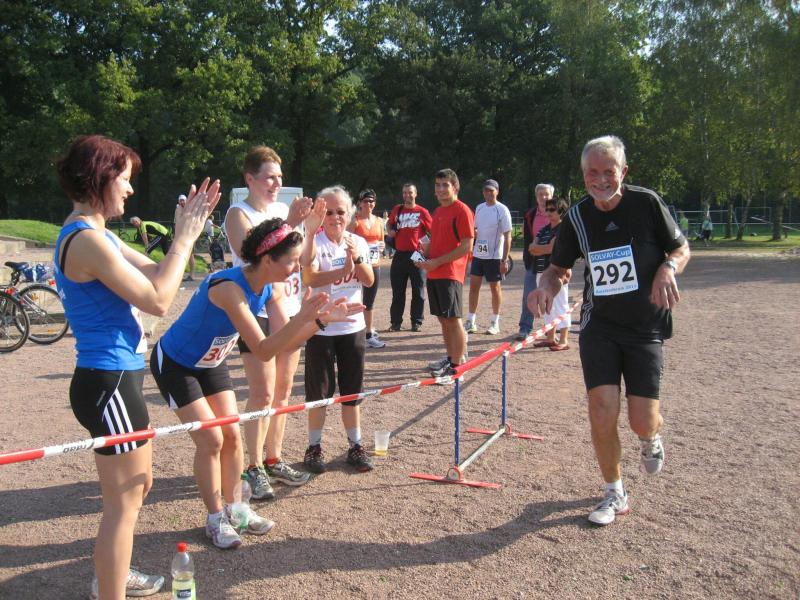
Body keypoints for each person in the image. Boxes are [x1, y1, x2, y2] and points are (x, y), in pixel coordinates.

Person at [54, 134, 219, 599]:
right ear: (99, 179)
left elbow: (155, 272)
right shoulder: (87, 240)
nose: (129, 190)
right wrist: (184, 238)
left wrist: (184, 236)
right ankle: (110, 587)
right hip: (108, 382)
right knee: (124, 504)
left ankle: (113, 571)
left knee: (136, 489)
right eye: (124, 179)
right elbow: (159, 299)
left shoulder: (96, 234)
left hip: (114, 379)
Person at [150, 218, 361, 549]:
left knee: (233, 436)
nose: (297, 268)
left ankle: (237, 508)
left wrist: (319, 321)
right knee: (211, 440)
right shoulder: (228, 288)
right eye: (291, 261)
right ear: (267, 259)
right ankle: (215, 518)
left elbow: (286, 342)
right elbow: (263, 350)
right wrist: (305, 318)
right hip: (176, 364)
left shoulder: (270, 288)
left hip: (211, 363)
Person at [528, 135, 690, 526]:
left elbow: (681, 248)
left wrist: (667, 268)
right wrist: (545, 288)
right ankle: (614, 492)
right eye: (592, 172)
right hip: (599, 326)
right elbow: (558, 269)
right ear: (583, 174)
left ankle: (650, 437)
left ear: (623, 171)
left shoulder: (646, 203)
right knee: (601, 409)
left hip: (645, 327)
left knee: (641, 419)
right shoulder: (578, 217)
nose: (600, 180)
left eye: (608, 171)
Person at [224, 146, 314, 500]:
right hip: (256, 310)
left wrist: (310, 228)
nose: (277, 183)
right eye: (269, 177)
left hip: (288, 306)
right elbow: (253, 254)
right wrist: (291, 222)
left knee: (283, 391)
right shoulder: (238, 214)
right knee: (261, 392)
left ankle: (274, 458)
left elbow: (300, 257)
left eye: (280, 177)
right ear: (250, 179)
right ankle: (253, 465)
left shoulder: (280, 211)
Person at [300, 188, 375, 473]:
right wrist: (343, 269)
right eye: (328, 212)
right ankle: (314, 447)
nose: (335, 218)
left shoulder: (358, 242)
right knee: (318, 394)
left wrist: (356, 260)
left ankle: (355, 445)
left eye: (340, 212)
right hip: (321, 328)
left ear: (350, 213)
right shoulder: (314, 241)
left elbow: (368, 281)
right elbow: (310, 276)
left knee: (352, 393)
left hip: (353, 328)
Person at [417, 169, 475, 378]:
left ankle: (457, 366)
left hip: (450, 273)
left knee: (453, 319)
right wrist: (424, 255)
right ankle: (451, 358)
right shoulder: (438, 211)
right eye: (437, 185)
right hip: (434, 273)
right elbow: (438, 242)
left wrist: (437, 262)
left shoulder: (462, 210)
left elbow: (467, 246)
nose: (440, 189)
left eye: (445, 185)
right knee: (443, 319)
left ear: (455, 187)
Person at [464, 179, 512, 335]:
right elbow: (475, 230)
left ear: (497, 191)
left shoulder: (502, 210)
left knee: (495, 288)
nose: (488, 193)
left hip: (494, 256)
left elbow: (508, 236)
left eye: (491, 190)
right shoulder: (479, 208)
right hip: (479, 254)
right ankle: (471, 321)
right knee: (473, 287)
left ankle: (495, 322)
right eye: (486, 190)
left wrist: (504, 260)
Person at [386, 183, 432, 332]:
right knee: (398, 292)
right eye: (405, 192)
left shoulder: (422, 212)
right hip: (399, 254)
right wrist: (390, 231)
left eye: (410, 192)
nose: (407, 195)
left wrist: (428, 250)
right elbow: (389, 224)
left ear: (415, 194)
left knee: (418, 291)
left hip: (416, 254)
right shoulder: (397, 209)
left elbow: (433, 231)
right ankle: (396, 322)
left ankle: (416, 322)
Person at [348, 188, 387, 348]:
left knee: (369, 300)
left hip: (374, 264)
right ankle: (354, 332)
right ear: (360, 203)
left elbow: (382, 242)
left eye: (372, 201)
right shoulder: (355, 221)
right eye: (366, 201)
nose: (369, 204)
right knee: (353, 297)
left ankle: (369, 333)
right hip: (358, 265)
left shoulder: (379, 221)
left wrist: (382, 246)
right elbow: (346, 240)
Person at [515, 183, 554, 341]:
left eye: (546, 194)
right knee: (528, 295)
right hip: (533, 260)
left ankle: (552, 329)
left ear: (552, 196)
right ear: (536, 197)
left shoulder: (558, 213)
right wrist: (526, 257)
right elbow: (527, 239)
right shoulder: (530, 214)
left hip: (551, 261)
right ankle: (525, 327)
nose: (543, 197)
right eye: (540, 194)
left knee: (552, 295)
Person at [530, 198, 571, 350]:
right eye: (547, 209)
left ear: (561, 211)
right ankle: (550, 338)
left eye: (552, 209)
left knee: (561, 304)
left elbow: (549, 249)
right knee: (547, 305)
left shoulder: (563, 229)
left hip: (558, 273)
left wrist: (541, 248)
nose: (548, 212)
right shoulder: (544, 229)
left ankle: (564, 340)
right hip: (541, 271)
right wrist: (543, 248)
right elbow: (531, 248)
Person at [177, 194, 197, 280]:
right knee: (183, 255)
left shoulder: (189, 209)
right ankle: (184, 274)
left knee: (190, 255)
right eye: (180, 200)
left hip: (189, 235)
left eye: (183, 200)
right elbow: (177, 223)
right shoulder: (178, 209)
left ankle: (192, 275)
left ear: (186, 201)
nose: (182, 202)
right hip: (181, 235)